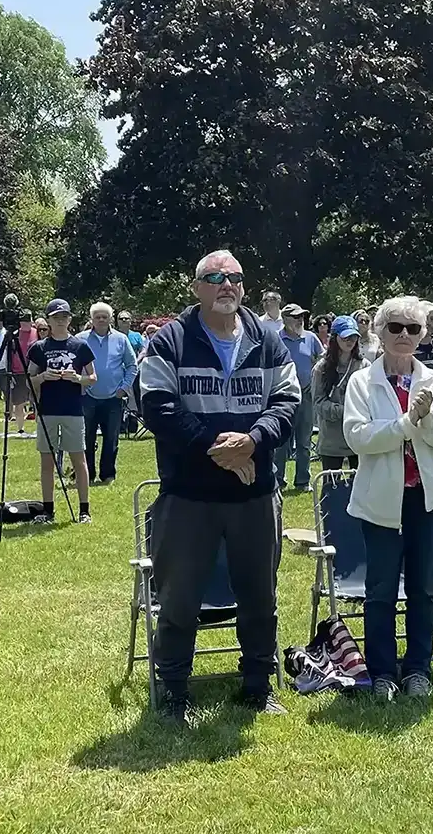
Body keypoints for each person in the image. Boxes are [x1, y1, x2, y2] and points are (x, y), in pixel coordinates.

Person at [139, 249, 300, 720]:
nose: (226, 284)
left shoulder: (269, 341)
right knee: (179, 598)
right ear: (196, 288)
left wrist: (252, 441)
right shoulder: (169, 341)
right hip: (189, 495)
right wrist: (219, 450)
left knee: (259, 597)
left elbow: (288, 403)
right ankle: (172, 692)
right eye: (214, 277)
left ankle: (257, 687)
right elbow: (159, 408)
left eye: (234, 278)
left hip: (253, 494)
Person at [343, 295, 433, 700]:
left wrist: (426, 420)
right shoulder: (362, 381)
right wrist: (405, 423)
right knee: (378, 590)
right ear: (379, 332)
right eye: (395, 327)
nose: (404, 336)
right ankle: (381, 673)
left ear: (424, 334)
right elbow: (357, 437)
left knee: (423, 589)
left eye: (413, 329)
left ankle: (417, 670)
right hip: (380, 501)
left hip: (425, 501)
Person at [27, 299, 97, 524]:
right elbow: (29, 379)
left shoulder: (80, 346)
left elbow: (93, 378)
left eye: (64, 317)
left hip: (73, 410)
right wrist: (42, 377)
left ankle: (84, 510)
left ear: (70, 320)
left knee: (79, 459)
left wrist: (77, 378)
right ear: (48, 320)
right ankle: (47, 510)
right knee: (47, 461)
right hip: (47, 410)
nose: (60, 321)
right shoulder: (39, 348)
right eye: (56, 317)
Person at [81, 302, 138, 485]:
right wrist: (79, 384)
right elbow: (72, 364)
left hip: (114, 397)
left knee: (111, 438)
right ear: (92, 319)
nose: (101, 320)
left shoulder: (121, 339)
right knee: (86, 437)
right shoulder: (80, 339)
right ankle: (87, 474)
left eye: (104, 317)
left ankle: (108, 475)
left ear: (110, 319)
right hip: (87, 396)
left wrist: (124, 388)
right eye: (97, 317)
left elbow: (132, 365)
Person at [275, 302, 324, 491]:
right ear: (285, 319)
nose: (300, 320)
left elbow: (323, 359)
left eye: (302, 317)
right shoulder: (276, 338)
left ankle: (302, 481)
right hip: (283, 395)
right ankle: (278, 480)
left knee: (304, 441)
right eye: (296, 317)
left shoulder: (311, 338)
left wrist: (316, 382)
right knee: (281, 442)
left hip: (306, 393)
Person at [312, 315, 369, 471]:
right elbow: (318, 403)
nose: (350, 341)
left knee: (362, 488)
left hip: (358, 436)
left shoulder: (365, 366)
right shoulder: (321, 368)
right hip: (331, 439)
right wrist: (344, 411)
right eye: (345, 337)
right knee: (331, 488)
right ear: (335, 338)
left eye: (353, 337)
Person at [8, 310, 39, 437]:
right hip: (18, 372)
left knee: (37, 401)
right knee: (19, 402)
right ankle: (20, 429)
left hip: (34, 372)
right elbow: (9, 354)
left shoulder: (37, 333)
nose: (25, 324)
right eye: (23, 321)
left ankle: (39, 427)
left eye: (28, 320)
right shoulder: (14, 334)